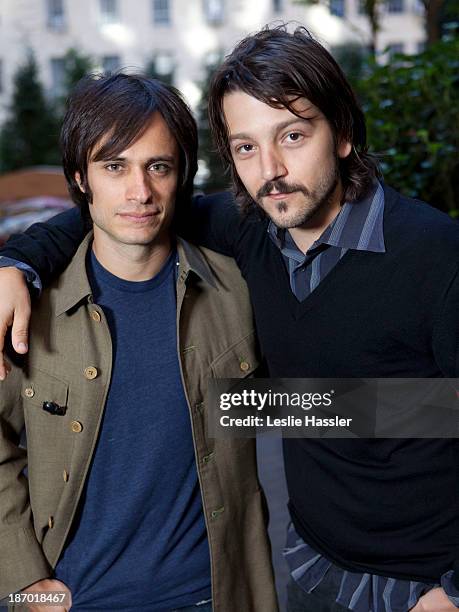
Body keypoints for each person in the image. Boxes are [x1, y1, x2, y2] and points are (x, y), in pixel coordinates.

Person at [0, 24, 458, 612]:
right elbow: (125, 211)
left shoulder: (435, 256)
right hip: (314, 569)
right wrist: (17, 261)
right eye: (245, 146)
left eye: (292, 135)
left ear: (342, 132)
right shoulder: (253, 231)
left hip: (420, 589)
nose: (270, 168)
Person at [0, 73, 278, 612]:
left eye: (158, 166)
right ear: (81, 178)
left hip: (213, 597)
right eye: (114, 166)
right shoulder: (27, 309)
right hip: (74, 601)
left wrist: (427, 409)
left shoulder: (238, 292)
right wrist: (19, 579)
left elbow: (299, 406)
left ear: (181, 177)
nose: (139, 192)